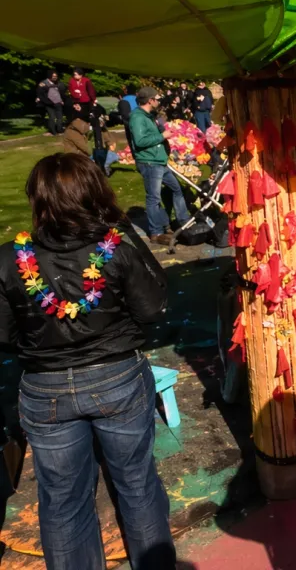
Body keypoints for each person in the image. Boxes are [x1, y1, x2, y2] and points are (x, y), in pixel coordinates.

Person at [0, 154, 175, 569]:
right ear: (95, 193)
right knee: (137, 484)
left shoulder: (10, 258)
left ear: (38, 199)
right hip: (117, 378)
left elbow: (4, 335)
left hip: (46, 387)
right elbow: (153, 308)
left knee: (63, 501)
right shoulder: (112, 248)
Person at [129, 86, 191, 245]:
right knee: (153, 198)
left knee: (177, 189)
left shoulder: (149, 116)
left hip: (159, 161)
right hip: (150, 162)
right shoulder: (137, 117)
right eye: (157, 99)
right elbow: (140, 141)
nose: (159, 101)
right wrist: (162, 136)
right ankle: (156, 232)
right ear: (150, 100)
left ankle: (183, 221)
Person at [36, 71, 65, 136]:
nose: (55, 77)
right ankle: (53, 131)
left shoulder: (59, 83)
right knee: (52, 117)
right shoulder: (43, 83)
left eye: (56, 76)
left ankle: (60, 130)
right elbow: (40, 93)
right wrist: (43, 100)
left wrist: (62, 100)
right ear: (49, 76)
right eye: (53, 76)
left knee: (59, 117)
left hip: (58, 102)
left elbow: (62, 92)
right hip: (49, 103)